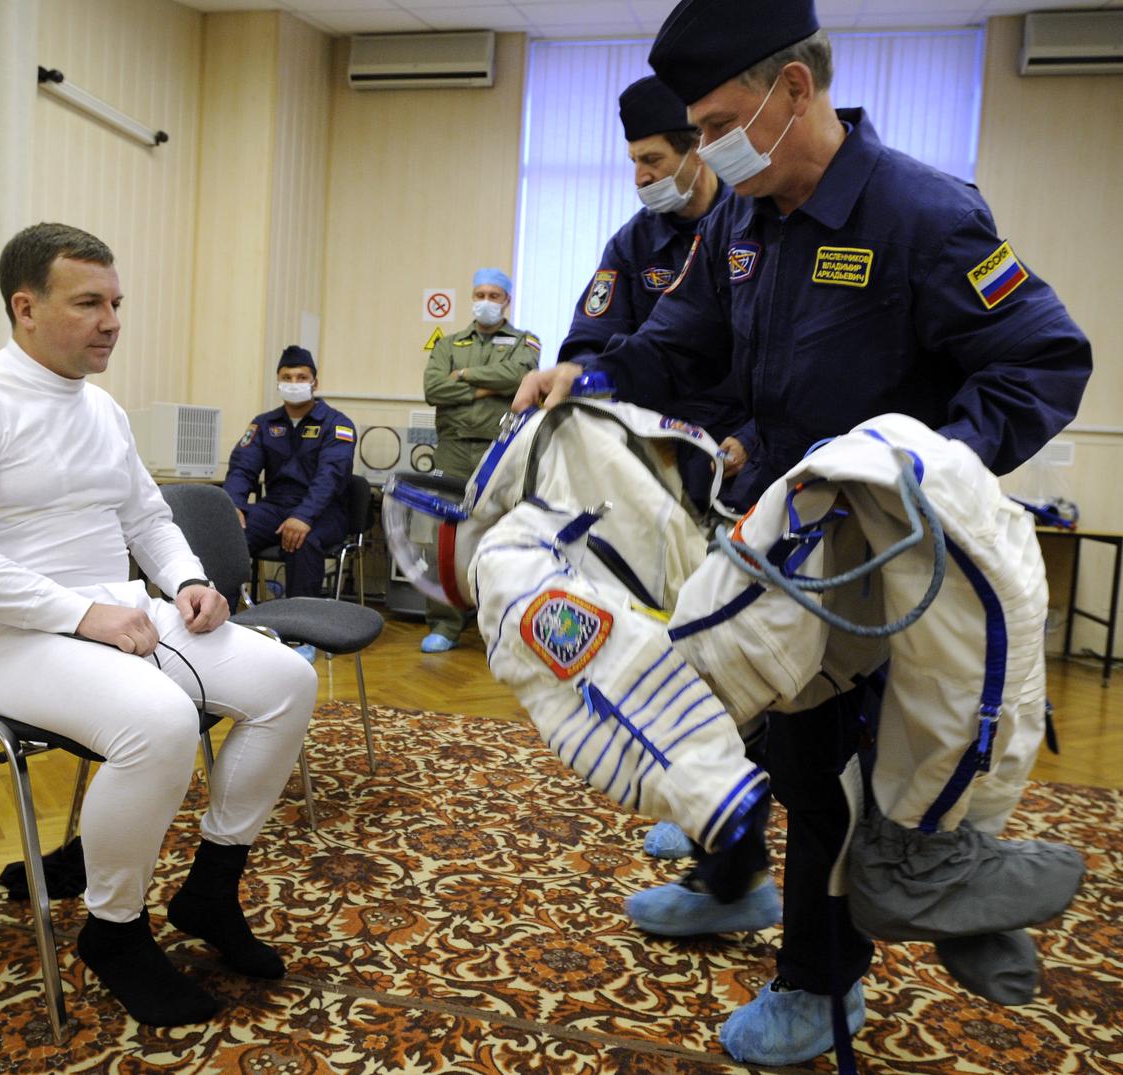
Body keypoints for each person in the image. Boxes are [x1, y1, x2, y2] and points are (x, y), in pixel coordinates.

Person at [514, 0, 1091, 1064]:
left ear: (794, 90)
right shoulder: (742, 217)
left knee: (830, 779)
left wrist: (924, 474)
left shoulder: (923, 213)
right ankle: (736, 889)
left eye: (723, 118)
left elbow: (1043, 361)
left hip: (880, 566)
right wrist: (582, 374)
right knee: (768, 741)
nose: (708, 147)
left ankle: (823, 984)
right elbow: (676, 341)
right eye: (697, 128)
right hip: (773, 548)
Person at [0, 223, 318, 1028]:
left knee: (286, 680)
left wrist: (189, 581)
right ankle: (116, 929)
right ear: (25, 307)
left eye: (116, 302)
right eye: (88, 302)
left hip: (108, 612)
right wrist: (83, 614)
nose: (112, 320)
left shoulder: (102, 408)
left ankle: (211, 891)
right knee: (158, 721)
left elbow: (149, 517)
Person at [559, 75, 757, 512]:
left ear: (698, 152)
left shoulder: (752, 227)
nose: (640, 176)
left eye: (652, 159)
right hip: (654, 449)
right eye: (633, 161)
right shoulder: (631, 246)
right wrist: (576, 375)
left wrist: (752, 436)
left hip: (740, 451)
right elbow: (591, 338)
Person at [420, 268, 540, 652]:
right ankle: (444, 623)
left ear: (507, 300)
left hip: (500, 448)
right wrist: (488, 388)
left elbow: (519, 376)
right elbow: (433, 387)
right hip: (453, 448)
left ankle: (499, 625)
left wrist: (467, 376)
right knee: (445, 538)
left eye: (494, 295)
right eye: (479, 294)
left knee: (501, 534)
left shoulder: (526, 341)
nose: (485, 301)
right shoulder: (448, 343)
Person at [224, 346, 357, 662]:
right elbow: (243, 467)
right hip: (275, 505)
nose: (294, 382)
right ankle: (222, 619)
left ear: (315, 382)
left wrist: (304, 515)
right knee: (227, 536)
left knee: (303, 540)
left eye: (301, 377)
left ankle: (303, 635)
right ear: (278, 381)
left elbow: (332, 477)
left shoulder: (337, 424)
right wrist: (233, 506)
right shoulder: (264, 424)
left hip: (324, 511)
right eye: (287, 377)